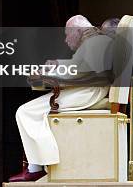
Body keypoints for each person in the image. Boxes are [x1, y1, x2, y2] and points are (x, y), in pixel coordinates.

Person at [8, 15, 113, 182]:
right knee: (28, 110)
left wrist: (49, 75)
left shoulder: (95, 42)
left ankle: (39, 167)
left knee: (25, 112)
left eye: (67, 34)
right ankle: (37, 166)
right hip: (86, 90)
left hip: (87, 93)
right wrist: (57, 65)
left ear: (77, 31)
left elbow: (85, 73)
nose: (65, 40)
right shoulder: (95, 40)